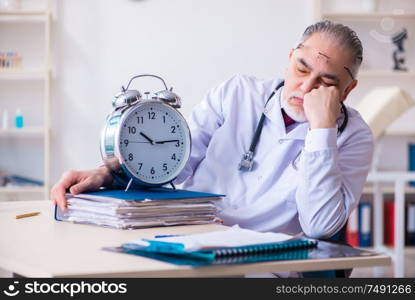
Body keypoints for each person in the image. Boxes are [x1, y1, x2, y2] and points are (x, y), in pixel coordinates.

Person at [51, 21, 373, 241]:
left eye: (327, 82)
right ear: (290, 58)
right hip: (188, 235)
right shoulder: (238, 93)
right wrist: (107, 175)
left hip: (263, 262)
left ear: (347, 90)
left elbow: (319, 226)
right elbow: (175, 164)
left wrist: (322, 130)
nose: (306, 86)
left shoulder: (353, 136)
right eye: (302, 68)